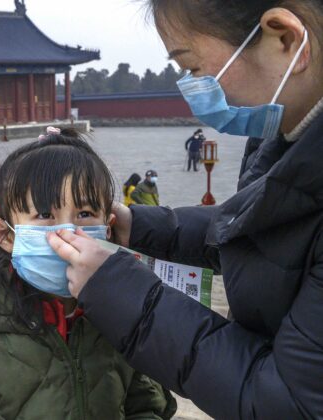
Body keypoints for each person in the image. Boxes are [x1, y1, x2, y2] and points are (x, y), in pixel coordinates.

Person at [47, 2, 323, 419]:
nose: (192, 88)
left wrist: (118, 289)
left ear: (284, 38)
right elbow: (260, 234)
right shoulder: (285, 136)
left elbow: (291, 403)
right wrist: (136, 225)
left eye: (191, 67)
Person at [0, 128, 176, 419]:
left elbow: (147, 405)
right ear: (5, 235)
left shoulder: (124, 319)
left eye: (84, 214)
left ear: (107, 228)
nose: (67, 232)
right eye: (45, 214)